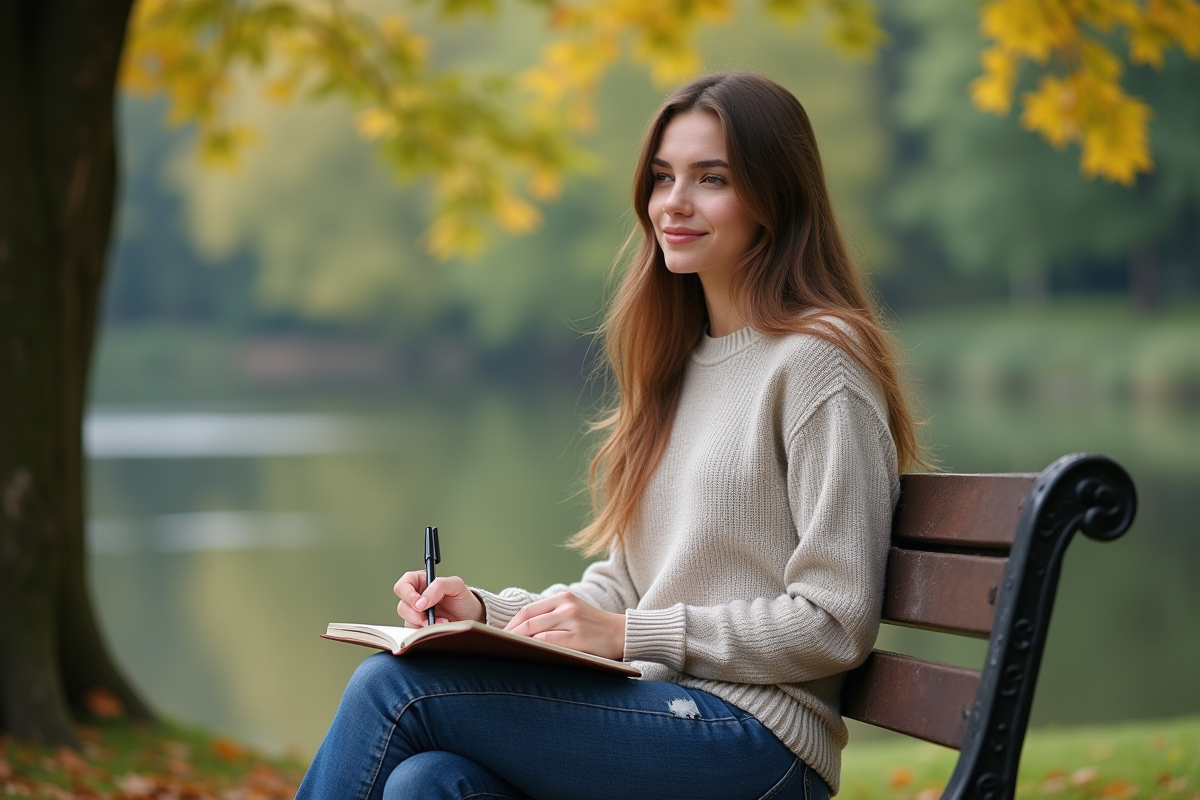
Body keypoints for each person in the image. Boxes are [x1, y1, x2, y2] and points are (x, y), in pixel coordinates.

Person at [295, 71, 922, 800]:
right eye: (662, 178)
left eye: (710, 178)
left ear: (774, 198)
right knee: (428, 783)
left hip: (760, 745)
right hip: (667, 716)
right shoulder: (680, 364)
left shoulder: (818, 364)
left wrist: (632, 637)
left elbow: (834, 624)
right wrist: (486, 615)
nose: (674, 203)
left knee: (394, 689)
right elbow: (624, 587)